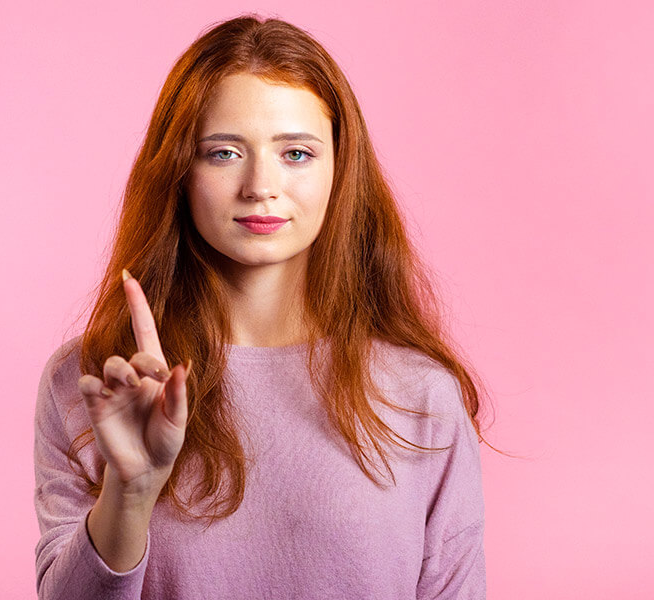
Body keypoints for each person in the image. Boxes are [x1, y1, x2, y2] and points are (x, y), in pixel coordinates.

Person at [33, 14, 490, 600]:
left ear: (339, 169)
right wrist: (130, 491)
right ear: (179, 171)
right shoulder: (91, 382)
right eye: (223, 153)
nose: (260, 186)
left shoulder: (421, 394)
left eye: (296, 153)